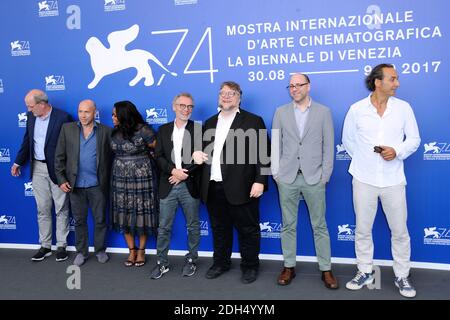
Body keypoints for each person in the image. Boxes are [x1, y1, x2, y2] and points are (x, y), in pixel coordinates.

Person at [342, 63, 420, 298]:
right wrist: (367, 160)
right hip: (363, 179)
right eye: (392, 79)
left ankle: (402, 275)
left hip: (394, 180)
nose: (397, 83)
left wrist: (396, 151)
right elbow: (348, 141)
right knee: (363, 230)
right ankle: (365, 271)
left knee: (400, 231)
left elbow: (414, 139)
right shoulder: (356, 109)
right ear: (378, 82)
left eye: (396, 79)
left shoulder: (404, 108)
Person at [193, 81, 270, 284]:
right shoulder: (209, 123)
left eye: (231, 93)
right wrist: (196, 154)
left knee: (248, 229)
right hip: (213, 186)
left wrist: (260, 181)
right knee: (219, 228)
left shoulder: (253, 121)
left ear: (239, 97)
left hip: (243, 186)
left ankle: (250, 266)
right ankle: (220, 263)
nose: (226, 96)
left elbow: (264, 154)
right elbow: (202, 153)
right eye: (223, 93)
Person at [271, 73, 338, 289]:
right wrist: (276, 174)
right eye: (291, 86)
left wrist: (324, 176)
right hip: (287, 178)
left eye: (299, 85)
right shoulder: (280, 112)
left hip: (314, 178)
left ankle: (326, 269)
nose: (294, 89)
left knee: (319, 225)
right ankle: (289, 266)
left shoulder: (323, 112)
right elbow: (275, 145)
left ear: (308, 87)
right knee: (288, 225)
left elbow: (329, 147)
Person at [11, 89, 72, 262]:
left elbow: (70, 147)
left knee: (61, 208)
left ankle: (61, 246)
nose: (28, 110)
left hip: (58, 170)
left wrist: (66, 172)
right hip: (37, 168)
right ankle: (45, 246)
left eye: (31, 106)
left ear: (42, 104)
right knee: (42, 208)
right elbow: (27, 141)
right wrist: (18, 162)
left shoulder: (63, 118)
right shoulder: (31, 117)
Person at [150, 93, 202, 279]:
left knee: (193, 225)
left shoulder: (198, 129)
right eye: (182, 105)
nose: (186, 109)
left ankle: (191, 260)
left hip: (190, 185)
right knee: (163, 227)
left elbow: (201, 158)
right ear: (174, 107)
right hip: (168, 184)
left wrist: (183, 174)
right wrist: (173, 171)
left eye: (189, 106)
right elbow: (159, 156)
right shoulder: (163, 129)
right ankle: (161, 263)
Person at [54, 99, 112, 266]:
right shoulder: (67, 129)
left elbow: (115, 155)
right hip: (75, 186)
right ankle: (82, 252)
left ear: (95, 113)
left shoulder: (106, 131)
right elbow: (59, 157)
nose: (83, 115)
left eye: (87, 112)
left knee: (100, 219)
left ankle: (100, 250)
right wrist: (61, 179)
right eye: (80, 111)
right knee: (79, 221)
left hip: (98, 185)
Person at [111, 100, 159, 267]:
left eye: (115, 115)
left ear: (124, 115)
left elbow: (158, 149)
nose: (112, 118)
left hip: (142, 179)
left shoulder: (143, 130)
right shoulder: (114, 132)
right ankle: (131, 250)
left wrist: (148, 159)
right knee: (124, 212)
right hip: (120, 179)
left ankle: (142, 250)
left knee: (142, 213)